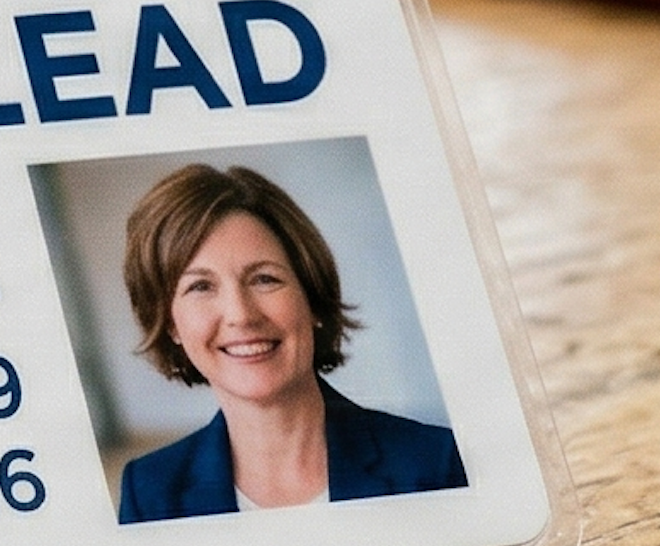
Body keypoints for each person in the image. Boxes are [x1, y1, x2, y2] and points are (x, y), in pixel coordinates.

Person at [113, 162, 465, 523]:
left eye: (264, 279)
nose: (241, 315)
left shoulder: (436, 464)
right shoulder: (151, 493)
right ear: (171, 324)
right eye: (200, 287)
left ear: (311, 296)